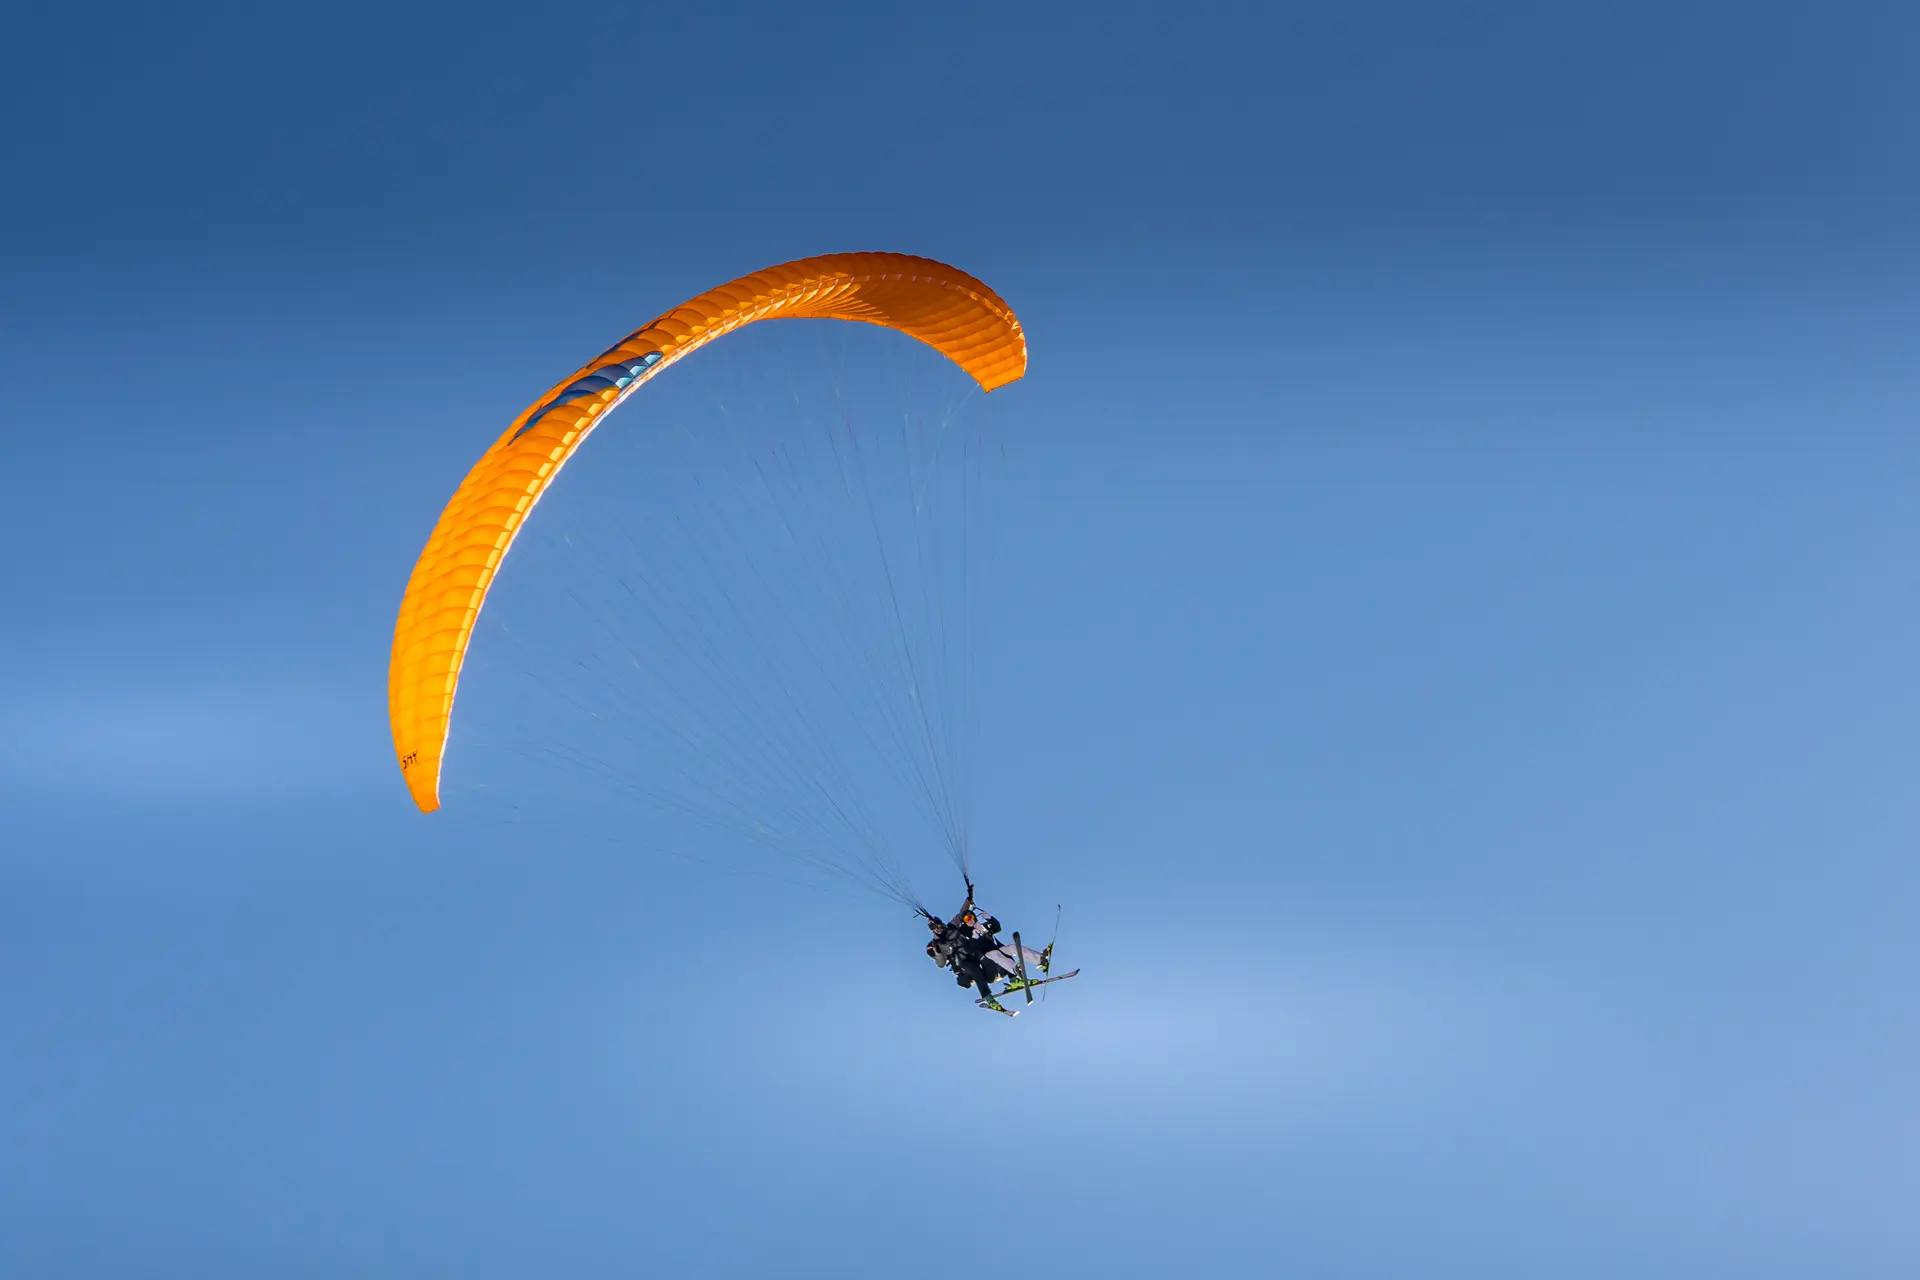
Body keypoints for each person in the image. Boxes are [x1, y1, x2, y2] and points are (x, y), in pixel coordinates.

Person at [924, 886, 1049, 1006]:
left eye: (971, 918)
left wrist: (970, 898)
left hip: (989, 952)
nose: (938, 928)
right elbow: (943, 961)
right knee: (990, 958)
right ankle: (1008, 982)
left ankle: (1039, 960)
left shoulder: (968, 926)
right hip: (970, 960)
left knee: (1010, 948)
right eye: (934, 928)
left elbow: (991, 926)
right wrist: (938, 951)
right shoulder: (941, 941)